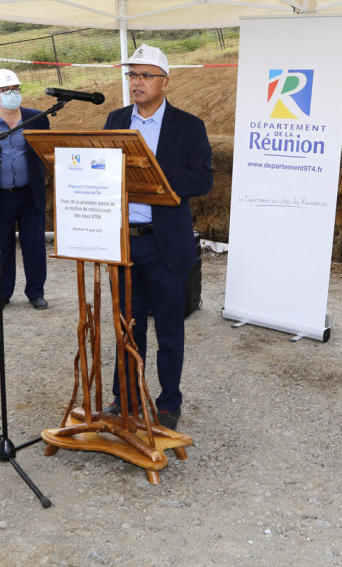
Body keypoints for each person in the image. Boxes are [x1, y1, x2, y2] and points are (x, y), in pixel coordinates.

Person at [102, 44, 213, 430]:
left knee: (168, 329)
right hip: (124, 242)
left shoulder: (188, 126)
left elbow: (203, 179)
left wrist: (151, 173)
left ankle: (168, 403)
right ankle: (125, 397)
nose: (137, 82)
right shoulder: (115, 120)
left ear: (165, 82)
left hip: (165, 243)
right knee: (127, 328)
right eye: (132, 75)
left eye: (146, 75)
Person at [0, 69, 50, 312]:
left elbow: (44, 151)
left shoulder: (37, 118)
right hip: (0, 196)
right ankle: (2, 293)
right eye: (6, 90)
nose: (12, 94)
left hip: (30, 194)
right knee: (0, 246)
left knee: (34, 245)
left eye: (15, 89)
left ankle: (35, 292)